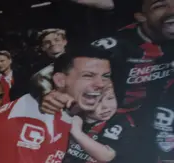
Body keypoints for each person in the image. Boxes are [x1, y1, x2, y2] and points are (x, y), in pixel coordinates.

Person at [42, 0, 174, 111]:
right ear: (141, 16)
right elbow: (45, 76)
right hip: (116, 120)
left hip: (161, 116)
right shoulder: (115, 46)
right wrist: (50, 95)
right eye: (160, 6)